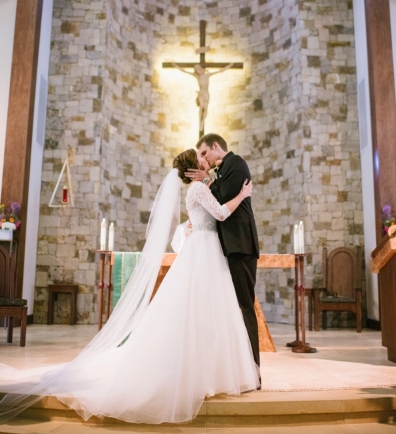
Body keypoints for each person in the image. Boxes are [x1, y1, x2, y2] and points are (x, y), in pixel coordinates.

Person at [0, 151, 259, 424]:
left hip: (205, 250)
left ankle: (207, 370)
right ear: (193, 168)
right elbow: (219, 213)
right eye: (200, 158)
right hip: (203, 251)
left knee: (206, 315)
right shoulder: (198, 188)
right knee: (198, 314)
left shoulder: (200, 187)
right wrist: (243, 195)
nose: (204, 160)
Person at [187, 133, 261, 370]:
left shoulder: (236, 163)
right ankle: (237, 368)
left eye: (204, 153)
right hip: (229, 246)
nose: (203, 159)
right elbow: (215, 205)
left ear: (216, 146)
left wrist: (207, 180)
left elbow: (221, 199)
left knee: (244, 307)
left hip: (241, 245)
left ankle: (254, 369)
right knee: (233, 308)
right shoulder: (221, 170)